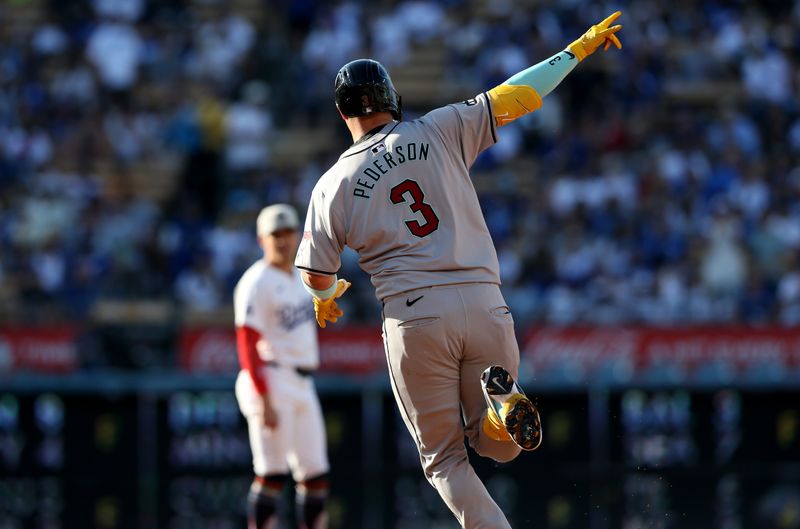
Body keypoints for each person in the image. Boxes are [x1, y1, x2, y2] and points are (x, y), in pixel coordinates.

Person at [295, 12, 624, 529]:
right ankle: (498, 409)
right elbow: (518, 94)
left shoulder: (331, 185)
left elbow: (315, 274)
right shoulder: (439, 128)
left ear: (343, 115)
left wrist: (327, 293)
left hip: (415, 313)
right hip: (485, 300)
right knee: (501, 451)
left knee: (445, 460)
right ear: (390, 98)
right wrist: (576, 51)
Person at [233, 203, 329, 529]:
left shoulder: (302, 276)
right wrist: (263, 397)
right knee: (271, 474)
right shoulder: (256, 281)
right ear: (262, 239)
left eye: (288, 232)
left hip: (303, 381)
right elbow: (246, 343)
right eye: (276, 234)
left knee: (315, 475)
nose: (283, 240)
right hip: (270, 378)